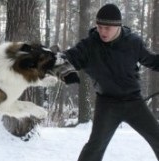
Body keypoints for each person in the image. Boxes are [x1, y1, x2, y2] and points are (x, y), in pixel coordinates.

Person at [55, 3, 159, 161]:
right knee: (95, 146)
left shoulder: (133, 42)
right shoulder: (89, 46)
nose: (102, 31)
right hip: (107, 104)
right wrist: (54, 59)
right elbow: (70, 57)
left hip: (134, 102)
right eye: (99, 26)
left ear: (118, 26)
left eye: (107, 28)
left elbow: (152, 61)